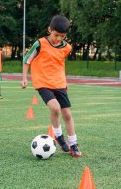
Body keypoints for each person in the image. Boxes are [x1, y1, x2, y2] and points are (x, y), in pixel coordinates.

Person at [21, 14, 81, 158]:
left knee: (67, 114)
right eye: (56, 35)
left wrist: (65, 82)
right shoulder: (40, 44)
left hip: (59, 83)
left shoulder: (67, 47)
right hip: (43, 83)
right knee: (55, 108)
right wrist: (24, 78)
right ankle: (59, 136)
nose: (58, 39)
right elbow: (27, 60)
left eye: (62, 36)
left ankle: (73, 144)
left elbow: (60, 64)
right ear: (49, 29)